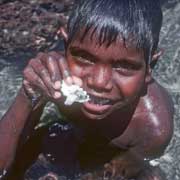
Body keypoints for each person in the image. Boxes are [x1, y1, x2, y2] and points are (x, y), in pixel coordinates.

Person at [0, 0, 174, 179]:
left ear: (150, 66)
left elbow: (115, 171)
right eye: (85, 57)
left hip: (114, 155)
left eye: (124, 66)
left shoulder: (151, 129)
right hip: (69, 135)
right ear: (66, 46)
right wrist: (27, 96)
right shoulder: (55, 77)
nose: (99, 82)